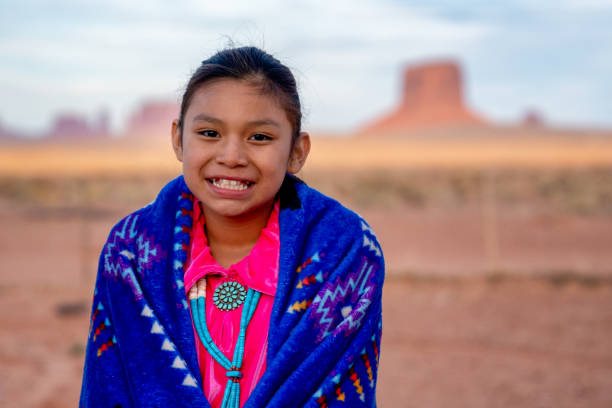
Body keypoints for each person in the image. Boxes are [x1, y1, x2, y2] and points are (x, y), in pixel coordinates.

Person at [80, 46, 385, 408]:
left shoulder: (344, 253)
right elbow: (109, 389)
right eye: (209, 133)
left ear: (297, 152)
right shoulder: (130, 253)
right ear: (178, 139)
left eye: (259, 138)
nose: (231, 157)